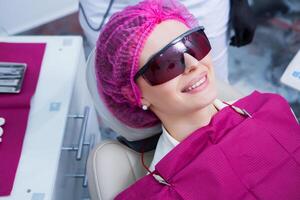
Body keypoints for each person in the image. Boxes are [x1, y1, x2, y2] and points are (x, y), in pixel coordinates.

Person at [95, 0, 300, 199]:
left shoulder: (271, 109)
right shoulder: (159, 194)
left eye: (194, 44)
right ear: (133, 94)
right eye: (168, 63)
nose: (193, 63)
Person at [79, 0, 256, 82]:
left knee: (210, 82)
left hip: (199, 5)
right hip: (114, 6)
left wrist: (240, 2)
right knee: (129, 88)